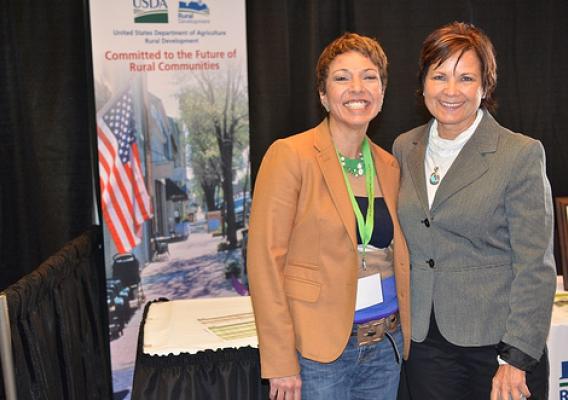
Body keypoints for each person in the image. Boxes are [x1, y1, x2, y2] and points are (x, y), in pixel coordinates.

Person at [393, 21, 556, 400]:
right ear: (423, 84)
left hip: (497, 349)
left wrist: (516, 357)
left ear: (485, 87)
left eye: (466, 78)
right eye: (440, 76)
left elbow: (536, 264)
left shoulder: (519, 154)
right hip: (425, 346)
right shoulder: (404, 147)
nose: (451, 91)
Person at [247, 33, 410, 400]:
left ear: (382, 93)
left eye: (369, 77)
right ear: (323, 94)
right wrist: (280, 360)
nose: (357, 88)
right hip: (319, 352)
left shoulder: (388, 165)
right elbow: (264, 262)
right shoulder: (290, 155)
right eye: (342, 78)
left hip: (385, 344)